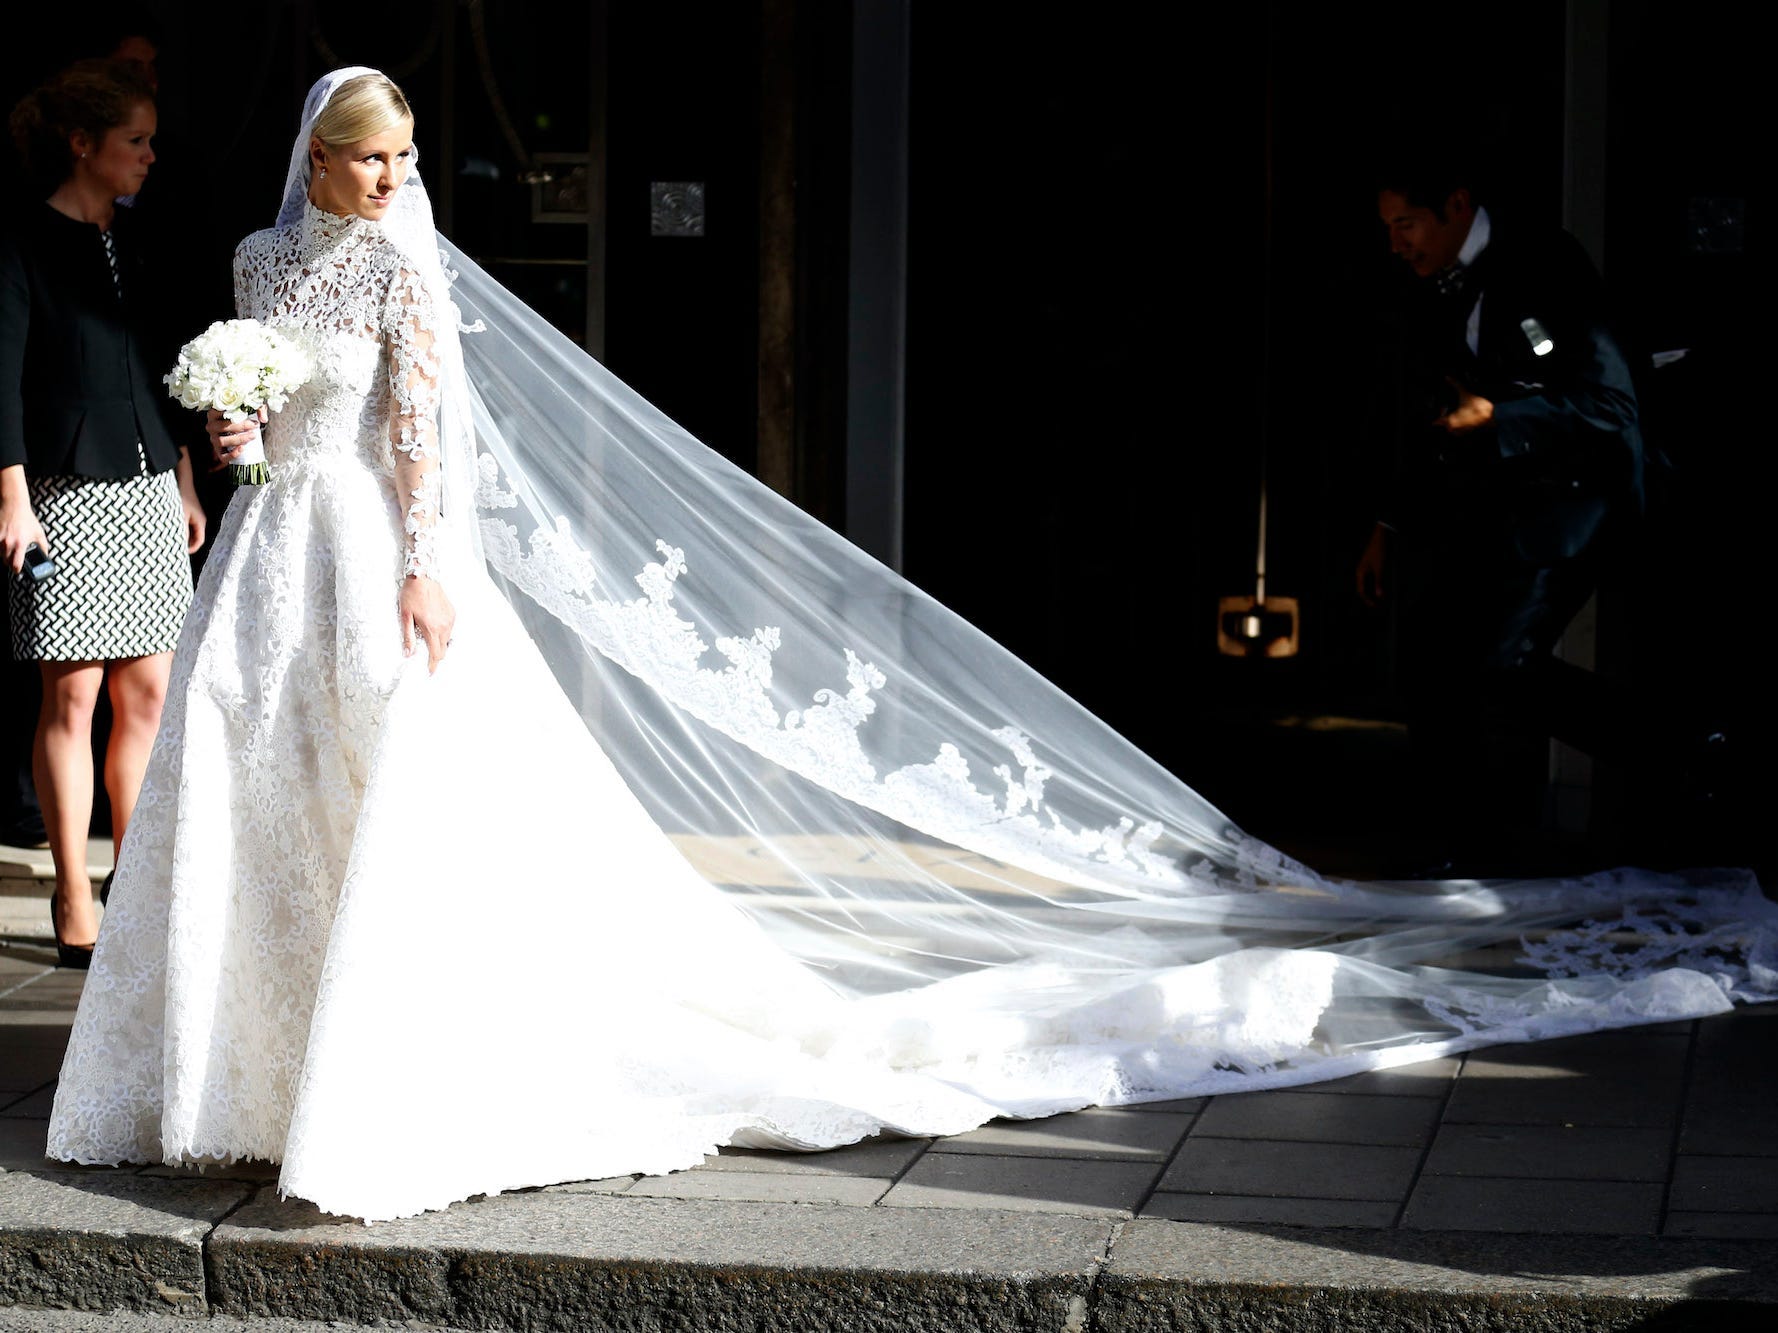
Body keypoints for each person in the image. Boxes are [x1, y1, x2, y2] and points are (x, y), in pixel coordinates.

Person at [44, 69, 1776, 1223]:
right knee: (260, 799)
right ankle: (232, 1060)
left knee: (402, 809)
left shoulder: (409, 268)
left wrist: (431, 566)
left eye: (408, 159)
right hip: (277, 547)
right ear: (317, 163)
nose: (397, 181)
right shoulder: (266, 258)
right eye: (374, 159)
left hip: (377, 554)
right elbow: (255, 401)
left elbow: (436, 435)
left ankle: (376, 1071)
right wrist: (235, 436)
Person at [1355, 153, 1659, 871]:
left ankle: (1686, 754)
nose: (1396, 244)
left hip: (1581, 498)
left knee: (1507, 666)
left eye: (1407, 224)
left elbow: (1613, 408)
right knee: (1428, 654)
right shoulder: (1430, 284)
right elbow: (1431, 408)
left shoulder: (1546, 262)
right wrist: (1387, 523)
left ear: (1456, 204)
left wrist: (1499, 413)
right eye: (1388, 228)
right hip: (1496, 504)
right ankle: (1465, 853)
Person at [0, 60, 203, 967]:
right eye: (135, 141)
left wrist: (187, 478)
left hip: (151, 484)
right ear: (83, 144)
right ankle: (73, 891)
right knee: (72, 693)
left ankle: (136, 886)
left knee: (149, 693)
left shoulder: (142, 241)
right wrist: (12, 497)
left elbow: (166, 367)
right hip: (61, 491)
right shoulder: (20, 243)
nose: (150, 157)